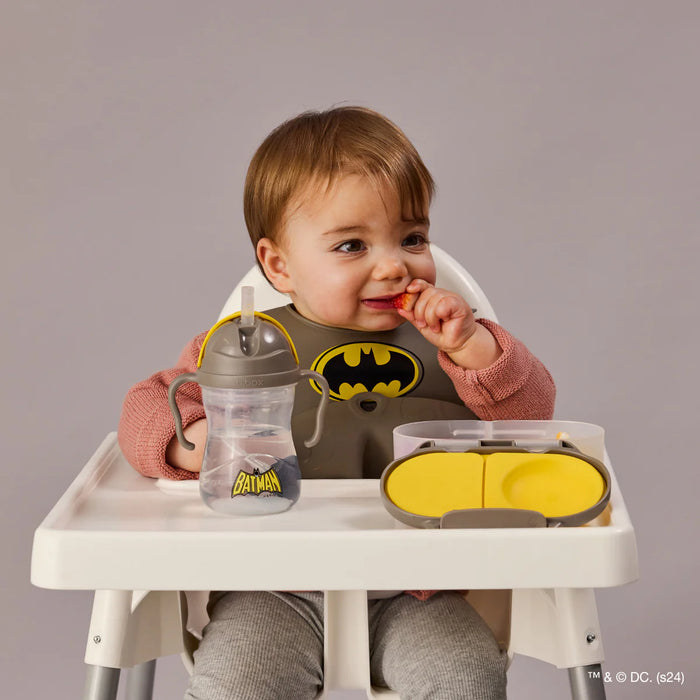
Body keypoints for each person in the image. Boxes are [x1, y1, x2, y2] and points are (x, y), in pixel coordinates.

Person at [119, 106, 555, 700]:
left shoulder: (461, 345)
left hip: (419, 588)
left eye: (412, 238)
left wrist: (472, 347)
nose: (394, 265)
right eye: (352, 245)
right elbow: (146, 405)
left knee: (467, 679)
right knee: (236, 687)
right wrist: (192, 441)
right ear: (279, 265)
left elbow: (533, 421)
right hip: (271, 585)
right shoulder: (241, 347)